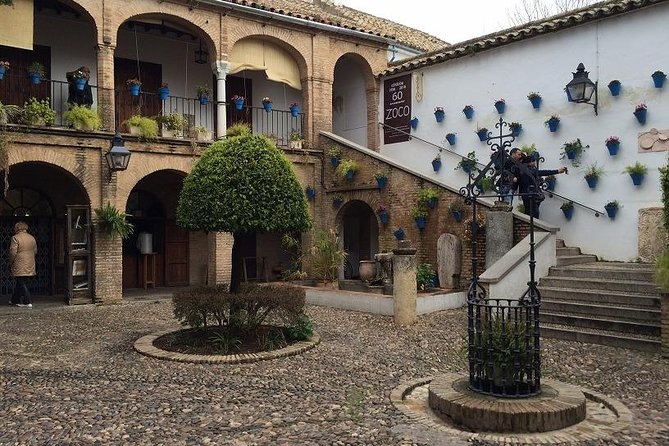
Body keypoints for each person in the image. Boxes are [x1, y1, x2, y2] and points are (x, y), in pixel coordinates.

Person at [518, 153, 567, 219]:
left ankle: (530, 226)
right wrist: (557, 171)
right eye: (533, 161)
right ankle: (531, 227)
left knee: (531, 212)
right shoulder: (527, 170)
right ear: (529, 163)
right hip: (530, 194)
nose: (534, 163)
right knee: (533, 213)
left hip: (528, 194)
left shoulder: (524, 169)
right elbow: (542, 172)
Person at [9, 221, 37, 308]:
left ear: (17, 228)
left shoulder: (15, 238)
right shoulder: (32, 238)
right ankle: (15, 300)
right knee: (21, 282)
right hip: (30, 263)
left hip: (19, 263)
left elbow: (12, 252)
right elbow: (35, 251)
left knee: (21, 282)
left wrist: (11, 261)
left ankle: (27, 302)